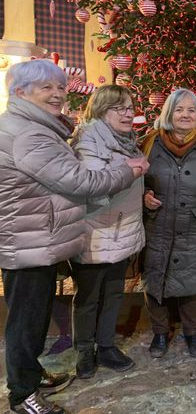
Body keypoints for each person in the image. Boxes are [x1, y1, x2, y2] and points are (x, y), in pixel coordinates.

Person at [0, 60, 146, 414]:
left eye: (60, 87)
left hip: (36, 239)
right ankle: (23, 395)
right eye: (45, 87)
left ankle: (30, 376)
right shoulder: (29, 134)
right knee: (27, 323)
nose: (57, 94)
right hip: (30, 242)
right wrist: (128, 170)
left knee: (31, 319)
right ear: (19, 92)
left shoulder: (33, 127)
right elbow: (83, 182)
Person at [141, 89, 196, 358]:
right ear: (169, 113)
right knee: (155, 281)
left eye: (191, 110)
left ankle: (192, 333)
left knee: (192, 285)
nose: (185, 115)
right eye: (179, 109)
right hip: (157, 226)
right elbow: (132, 182)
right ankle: (160, 333)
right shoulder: (149, 144)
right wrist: (143, 197)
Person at [70, 85, 145, 379]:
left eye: (130, 107)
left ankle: (106, 345)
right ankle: (84, 350)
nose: (128, 114)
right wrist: (132, 171)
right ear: (102, 110)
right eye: (121, 108)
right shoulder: (88, 141)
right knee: (88, 298)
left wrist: (145, 192)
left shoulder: (128, 141)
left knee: (114, 293)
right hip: (95, 233)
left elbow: (129, 179)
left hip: (121, 232)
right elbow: (93, 188)